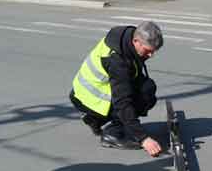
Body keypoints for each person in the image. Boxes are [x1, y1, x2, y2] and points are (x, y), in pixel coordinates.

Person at [70, 22, 163, 157]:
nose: (151, 55)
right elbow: (122, 103)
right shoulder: (117, 61)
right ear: (136, 41)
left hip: (83, 93)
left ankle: (95, 119)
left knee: (147, 88)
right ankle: (112, 134)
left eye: (154, 51)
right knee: (142, 96)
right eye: (148, 50)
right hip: (91, 98)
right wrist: (143, 138)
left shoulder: (127, 37)